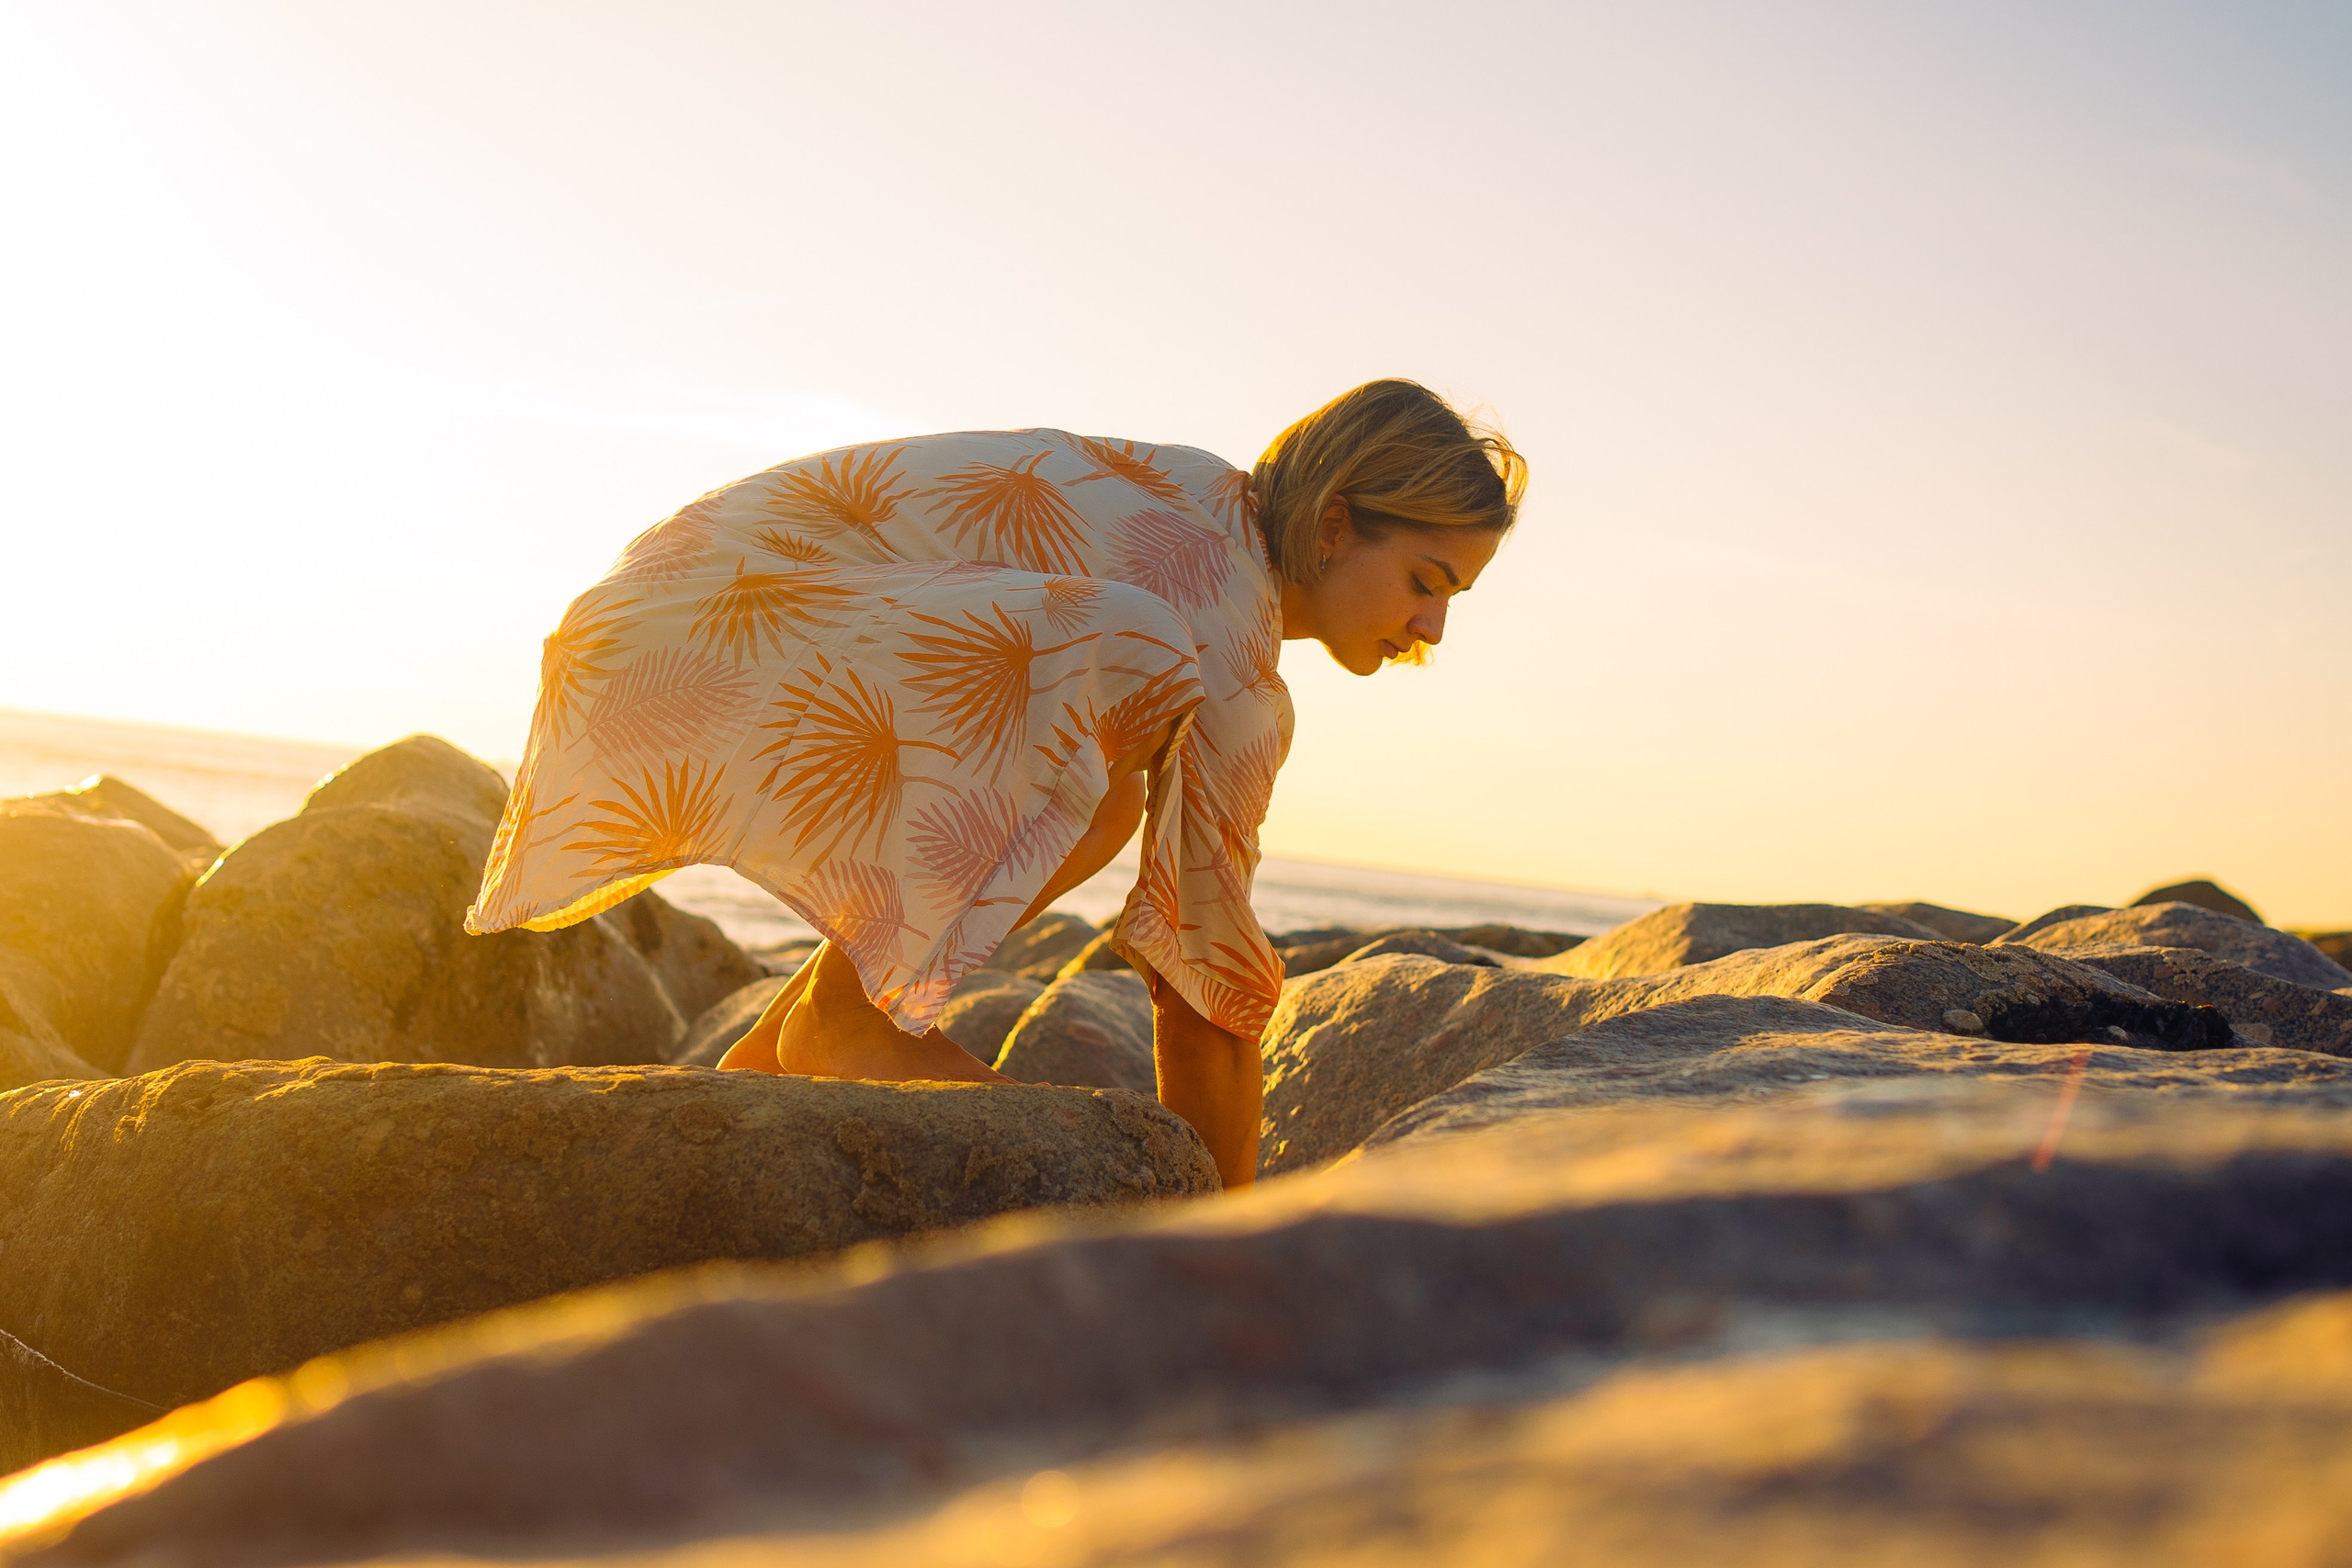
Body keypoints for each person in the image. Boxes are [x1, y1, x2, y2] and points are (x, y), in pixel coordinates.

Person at [465, 378, 1525, 1187]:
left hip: (676, 619)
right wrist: (1211, 1243)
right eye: (1425, 583)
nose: (1430, 628)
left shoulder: (1197, 508)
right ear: (1335, 523)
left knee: (1109, 721)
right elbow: (1202, 972)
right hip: (724, 632)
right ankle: (844, 1023)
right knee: (1116, 714)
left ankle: (775, 1057)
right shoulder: (1215, 611)